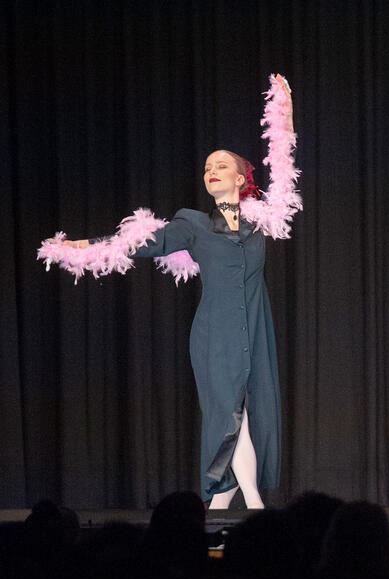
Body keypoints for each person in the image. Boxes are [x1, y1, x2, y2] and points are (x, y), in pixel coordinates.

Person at [38, 74, 301, 509]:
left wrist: (285, 113)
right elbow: (134, 242)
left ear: (240, 178)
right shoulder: (191, 225)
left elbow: (283, 161)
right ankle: (255, 508)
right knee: (228, 418)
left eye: (220, 165)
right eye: (206, 168)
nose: (211, 171)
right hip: (215, 334)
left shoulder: (263, 220)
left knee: (249, 419)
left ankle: (217, 512)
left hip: (255, 329)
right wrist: (78, 246)